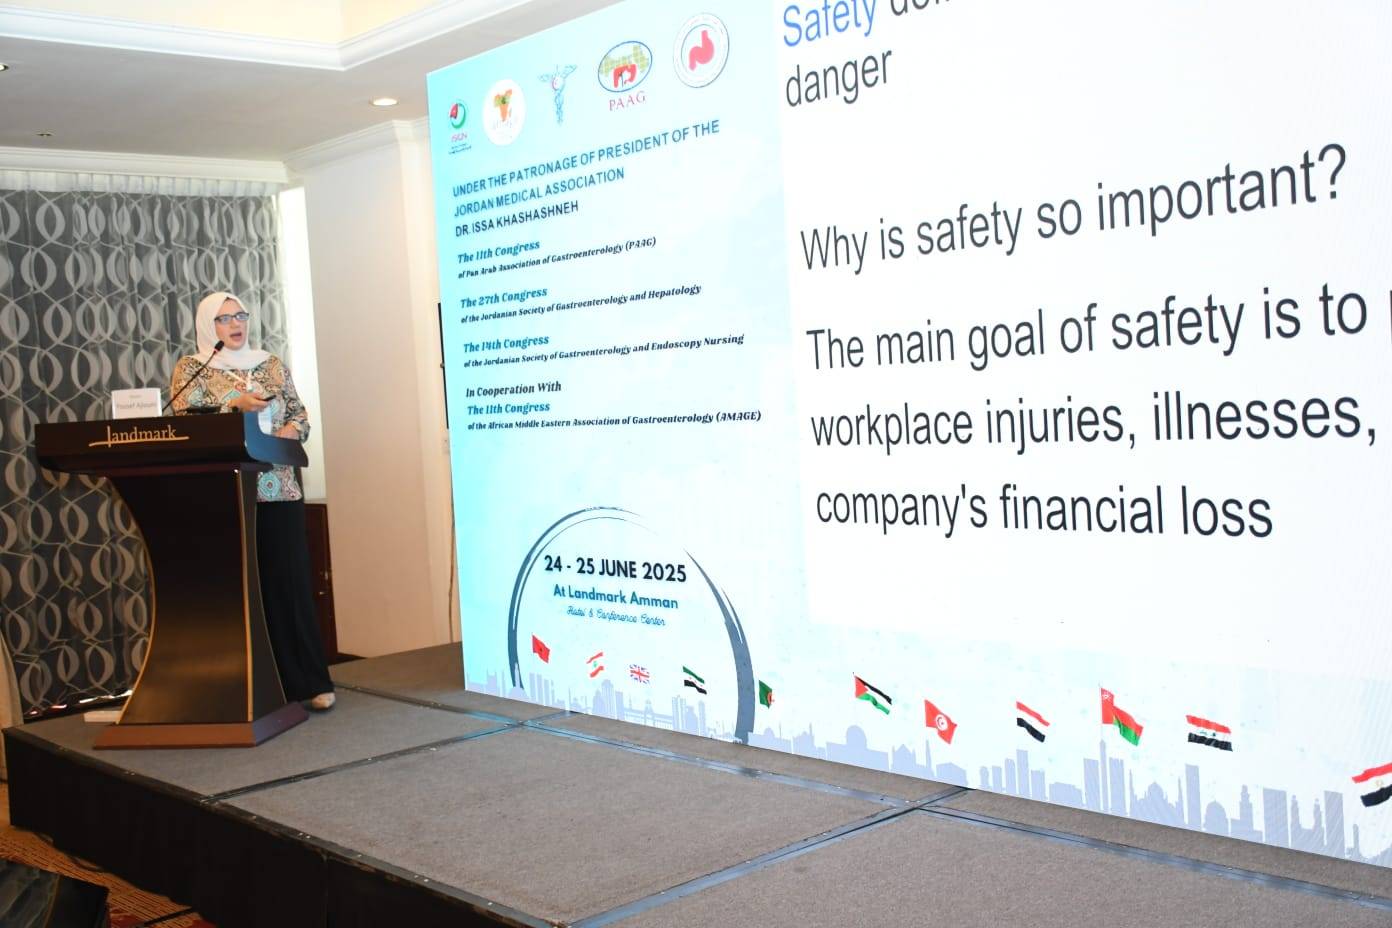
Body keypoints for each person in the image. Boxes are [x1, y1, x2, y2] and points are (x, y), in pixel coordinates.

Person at [170, 292, 336, 711]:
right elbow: (183, 421)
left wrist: (291, 431)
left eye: (240, 315)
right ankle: (252, 689)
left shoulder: (270, 364)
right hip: (224, 494)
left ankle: (308, 683)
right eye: (224, 318)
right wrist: (234, 406)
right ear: (208, 326)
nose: (236, 324)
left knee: (289, 584)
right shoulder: (192, 369)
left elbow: (300, 414)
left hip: (278, 487)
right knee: (241, 591)